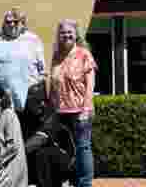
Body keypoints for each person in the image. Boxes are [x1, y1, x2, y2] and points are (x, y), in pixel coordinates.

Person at [49, 19, 96, 187]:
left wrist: (85, 109)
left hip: (80, 111)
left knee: (83, 148)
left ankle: (85, 183)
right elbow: (54, 84)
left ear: (76, 35)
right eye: (63, 32)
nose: (66, 35)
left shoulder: (84, 54)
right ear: (59, 35)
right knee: (65, 149)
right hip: (60, 112)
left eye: (70, 32)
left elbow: (90, 85)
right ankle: (71, 180)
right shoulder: (56, 55)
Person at [0, 10, 45, 127]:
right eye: (8, 21)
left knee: (27, 137)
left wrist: (34, 88)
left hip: (29, 101)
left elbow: (42, 71)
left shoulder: (33, 40)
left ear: (23, 23)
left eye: (15, 22)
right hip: (2, 100)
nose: (11, 25)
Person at [23, 81, 75, 187]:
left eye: (38, 100)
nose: (39, 104)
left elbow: (38, 140)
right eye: (32, 100)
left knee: (42, 153)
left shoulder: (52, 114)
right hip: (42, 162)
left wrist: (18, 153)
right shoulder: (27, 115)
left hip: (65, 160)